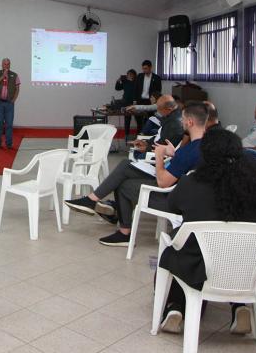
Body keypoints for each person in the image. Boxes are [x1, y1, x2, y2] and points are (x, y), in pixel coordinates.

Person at [157, 128, 256, 335]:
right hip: (252, 267)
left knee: (179, 248)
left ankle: (176, 309)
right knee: (230, 253)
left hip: (200, 266)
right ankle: (240, 306)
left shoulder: (192, 183)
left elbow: (172, 207)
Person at [65, 100, 206, 247]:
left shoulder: (190, 150)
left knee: (124, 184)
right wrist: (173, 155)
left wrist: (159, 155)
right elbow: (184, 168)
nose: (181, 122)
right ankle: (98, 206)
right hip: (190, 198)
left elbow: (163, 182)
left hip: (174, 200)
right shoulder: (205, 144)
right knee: (125, 170)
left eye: (183, 119)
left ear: (190, 122)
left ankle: (120, 229)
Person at [0, 58, 20, 149]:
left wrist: (13, 100)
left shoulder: (15, 75)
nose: (6, 66)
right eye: (5, 64)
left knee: (9, 124)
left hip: (9, 103)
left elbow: (17, 89)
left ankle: (9, 143)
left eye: (8, 64)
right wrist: (2, 76)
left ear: (10, 65)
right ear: (2, 65)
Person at [134, 60, 162, 132]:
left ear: (150, 68)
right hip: (140, 100)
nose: (144, 70)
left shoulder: (156, 78)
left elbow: (158, 91)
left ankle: (147, 133)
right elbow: (136, 89)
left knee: (150, 119)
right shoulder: (139, 76)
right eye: (143, 68)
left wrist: (155, 100)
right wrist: (135, 100)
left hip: (150, 101)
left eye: (146, 68)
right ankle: (139, 133)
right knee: (138, 118)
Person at [114, 69, 139, 138]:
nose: (129, 76)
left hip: (135, 103)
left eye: (131, 74)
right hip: (126, 102)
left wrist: (136, 101)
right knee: (127, 119)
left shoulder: (137, 82)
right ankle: (126, 135)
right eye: (128, 74)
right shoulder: (125, 81)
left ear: (134, 75)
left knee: (138, 119)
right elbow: (117, 88)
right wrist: (118, 81)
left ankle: (139, 135)